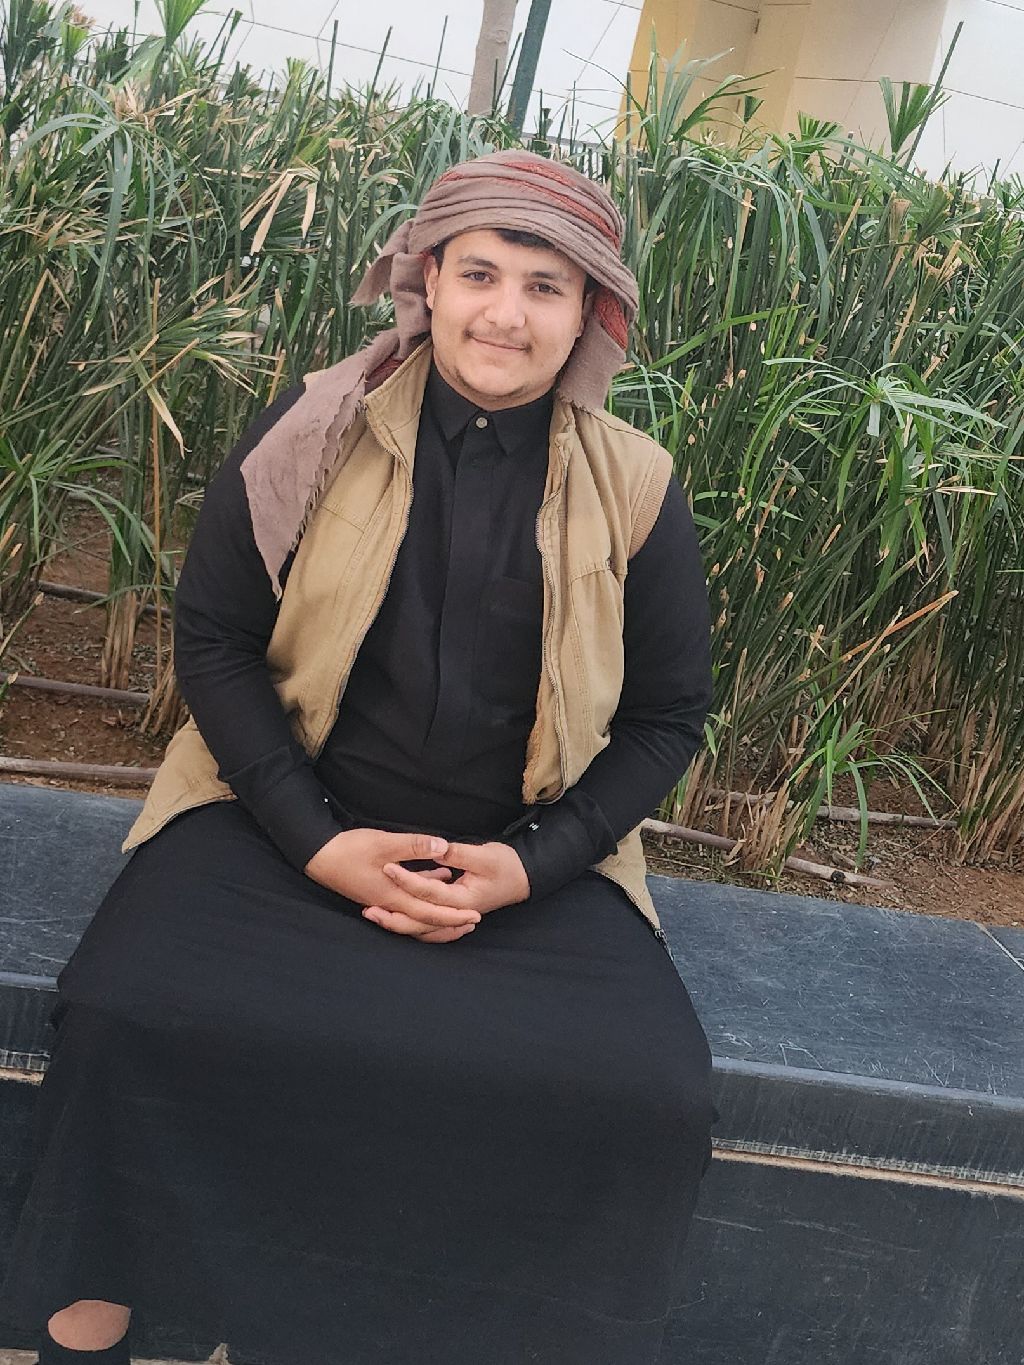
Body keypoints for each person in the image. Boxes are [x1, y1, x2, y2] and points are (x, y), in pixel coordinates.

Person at [0, 149, 717, 1365]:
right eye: (479, 274)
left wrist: (528, 866)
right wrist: (320, 843)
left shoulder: (637, 485)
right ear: (425, 280)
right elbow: (216, 640)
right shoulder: (315, 429)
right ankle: (87, 1328)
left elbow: (667, 716)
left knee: (647, 1095)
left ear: (589, 312)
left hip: (521, 857)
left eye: (544, 286)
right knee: (125, 1015)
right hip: (274, 816)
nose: (505, 313)